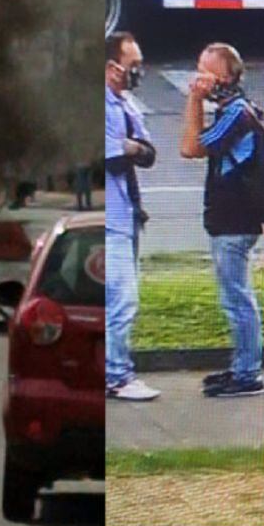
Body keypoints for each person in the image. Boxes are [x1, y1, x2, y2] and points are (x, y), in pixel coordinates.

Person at [180, 43, 264, 397]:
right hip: (227, 221)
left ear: (226, 76)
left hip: (236, 222)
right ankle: (241, 367)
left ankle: (248, 374)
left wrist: (194, 100)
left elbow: (190, 148)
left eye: (205, 71)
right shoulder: (228, 111)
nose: (198, 78)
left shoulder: (237, 113)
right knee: (234, 298)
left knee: (238, 301)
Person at [105, 31, 160, 401]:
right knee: (123, 301)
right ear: (113, 68)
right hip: (111, 221)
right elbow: (112, 159)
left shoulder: (126, 105)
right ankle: (115, 376)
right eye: (133, 64)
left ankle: (116, 372)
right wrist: (129, 148)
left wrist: (133, 147)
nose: (139, 70)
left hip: (127, 217)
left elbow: (149, 153)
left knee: (123, 301)